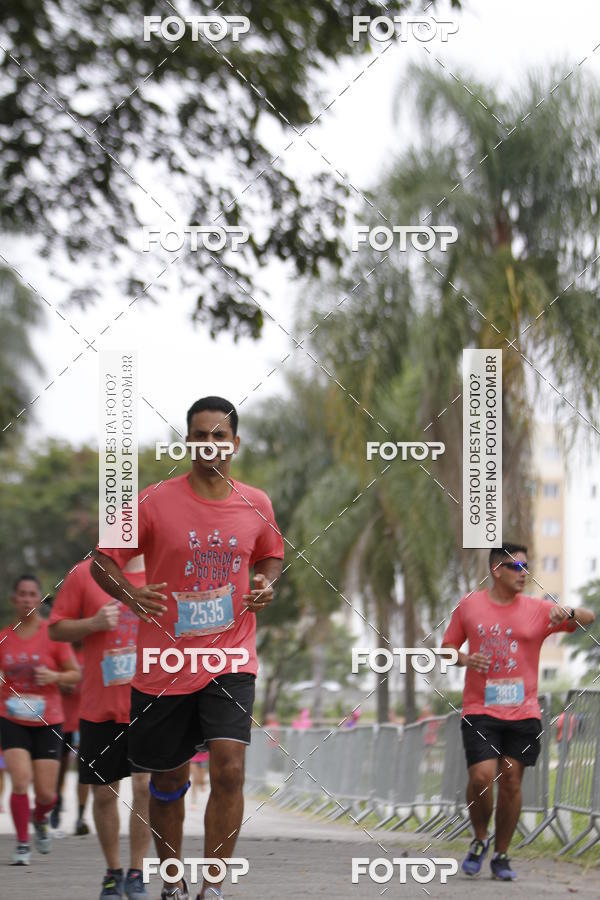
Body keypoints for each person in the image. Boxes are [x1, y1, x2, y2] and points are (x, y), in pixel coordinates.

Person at [91, 396, 285, 900]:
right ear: (188, 442)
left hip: (230, 656)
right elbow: (100, 562)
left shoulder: (257, 503)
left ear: (235, 444)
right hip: (165, 663)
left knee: (229, 768)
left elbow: (271, 557)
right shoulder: (152, 501)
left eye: (220, 435)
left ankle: (213, 888)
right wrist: (132, 594)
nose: (210, 443)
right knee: (169, 776)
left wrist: (265, 584)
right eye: (201, 434)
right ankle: (173, 882)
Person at [441, 542, 595, 881]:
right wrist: (465, 658)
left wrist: (566, 612)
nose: (524, 574)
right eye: (517, 567)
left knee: (511, 779)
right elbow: (447, 648)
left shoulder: (538, 610)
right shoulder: (470, 605)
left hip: (523, 711)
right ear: (497, 570)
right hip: (480, 707)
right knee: (481, 777)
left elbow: (589, 618)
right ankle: (480, 840)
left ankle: (501, 854)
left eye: (527, 567)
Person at [49, 555, 151, 898]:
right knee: (105, 794)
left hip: (150, 701)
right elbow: (56, 627)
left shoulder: (164, 563)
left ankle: (137, 872)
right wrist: (92, 623)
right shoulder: (83, 573)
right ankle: (113, 872)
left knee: (144, 787)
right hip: (99, 705)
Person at [0, 574, 80, 865]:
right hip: (11, 717)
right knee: (20, 781)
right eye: (22, 594)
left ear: (39, 600)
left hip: (48, 720)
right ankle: (22, 844)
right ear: (14, 599)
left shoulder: (53, 635)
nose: (27, 599)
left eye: (33, 594)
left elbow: (75, 673)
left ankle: (40, 817)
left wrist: (56, 676)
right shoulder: (4, 637)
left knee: (47, 794)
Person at [50, 641, 90, 834]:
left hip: (87, 716)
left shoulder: (92, 649)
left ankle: (81, 817)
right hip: (63, 717)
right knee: (61, 765)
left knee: (84, 768)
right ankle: (56, 800)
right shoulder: (61, 649)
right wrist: (60, 683)